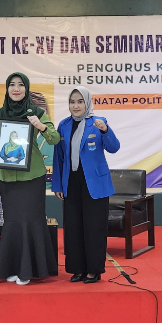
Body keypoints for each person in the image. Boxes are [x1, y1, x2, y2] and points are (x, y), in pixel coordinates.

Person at [0, 72, 60, 285]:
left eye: (20, 85)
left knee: (31, 221)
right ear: (7, 88)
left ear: (26, 88)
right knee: (13, 223)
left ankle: (29, 271)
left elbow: (54, 139)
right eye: (12, 85)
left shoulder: (36, 112)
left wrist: (41, 126)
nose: (16, 89)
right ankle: (13, 267)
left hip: (32, 176)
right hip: (7, 177)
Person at [52, 86, 120, 284]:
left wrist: (105, 130)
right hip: (71, 182)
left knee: (94, 227)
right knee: (73, 227)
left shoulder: (98, 122)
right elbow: (59, 157)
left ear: (87, 103)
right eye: (72, 102)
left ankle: (93, 270)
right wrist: (57, 185)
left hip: (95, 184)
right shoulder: (63, 125)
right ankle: (78, 269)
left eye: (80, 102)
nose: (76, 106)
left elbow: (114, 147)